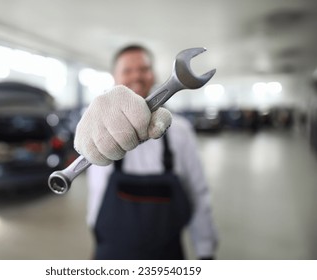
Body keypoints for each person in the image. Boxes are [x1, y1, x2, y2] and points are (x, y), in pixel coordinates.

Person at [74, 45, 218, 260]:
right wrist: (98, 238)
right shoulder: (99, 125)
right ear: (114, 78)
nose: (137, 76)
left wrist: (205, 250)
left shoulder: (180, 130)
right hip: (111, 250)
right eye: (128, 70)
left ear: (154, 75)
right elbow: (96, 192)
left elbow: (197, 191)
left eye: (143, 69)